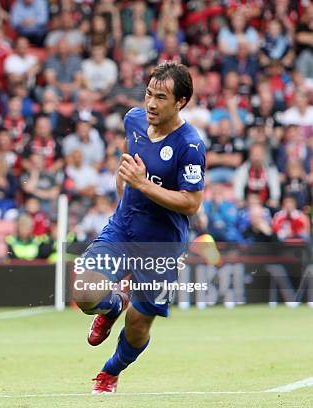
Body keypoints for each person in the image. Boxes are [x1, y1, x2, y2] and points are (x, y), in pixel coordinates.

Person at [73, 62, 205, 394]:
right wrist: (126, 191)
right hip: (123, 229)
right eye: (148, 94)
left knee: (137, 327)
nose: (151, 103)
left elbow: (191, 203)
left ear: (181, 102)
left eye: (161, 97)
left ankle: (111, 371)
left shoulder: (189, 145)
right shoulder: (133, 120)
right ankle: (113, 303)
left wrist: (143, 185)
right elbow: (127, 163)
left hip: (161, 245)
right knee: (85, 293)